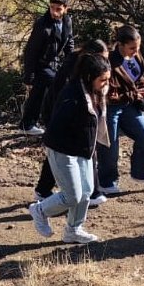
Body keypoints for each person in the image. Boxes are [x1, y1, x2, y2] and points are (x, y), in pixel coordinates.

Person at [28, 53, 110, 245]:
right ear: (89, 77)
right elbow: (57, 127)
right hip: (63, 150)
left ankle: (73, 230)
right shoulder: (72, 95)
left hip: (83, 150)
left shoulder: (95, 91)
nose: (106, 83)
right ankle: (40, 210)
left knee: (87, 192)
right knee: (72, 195)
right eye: (103, 80)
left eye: (108, 79)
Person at [34, 39, 107, 201]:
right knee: (62, 150)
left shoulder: (85, 71)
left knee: (72, 150)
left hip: (70, 114)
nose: (103, 63)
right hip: (57, 113)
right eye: (101, 58)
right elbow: (58, 98)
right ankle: (91, 191)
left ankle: (44, 189)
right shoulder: (72, 71)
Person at [98, 25, 144, 196]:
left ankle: (142, 173)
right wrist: (133, 92)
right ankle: (106, 182)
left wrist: (140, 89)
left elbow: (138, 78)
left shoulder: (136, 56)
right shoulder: (109, 60)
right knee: (110, 146)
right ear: (120, 44)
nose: (135, 51)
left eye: (137, 48)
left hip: (129, 104)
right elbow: (106, 90)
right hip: (110, 107)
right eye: (132, 48)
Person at [20, 0, 75, 135]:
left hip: (55, 63)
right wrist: (29, 75)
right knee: (59, 87)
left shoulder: (67, 21)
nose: (54, 12)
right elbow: (31, 51)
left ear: (66, 9)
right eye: (51, 8)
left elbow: (69, 42)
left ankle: (27, 124)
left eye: (58, 9)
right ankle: (54, 124)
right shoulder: (42, 25)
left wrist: (73, 62)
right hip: (41, 64)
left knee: (37, 94)